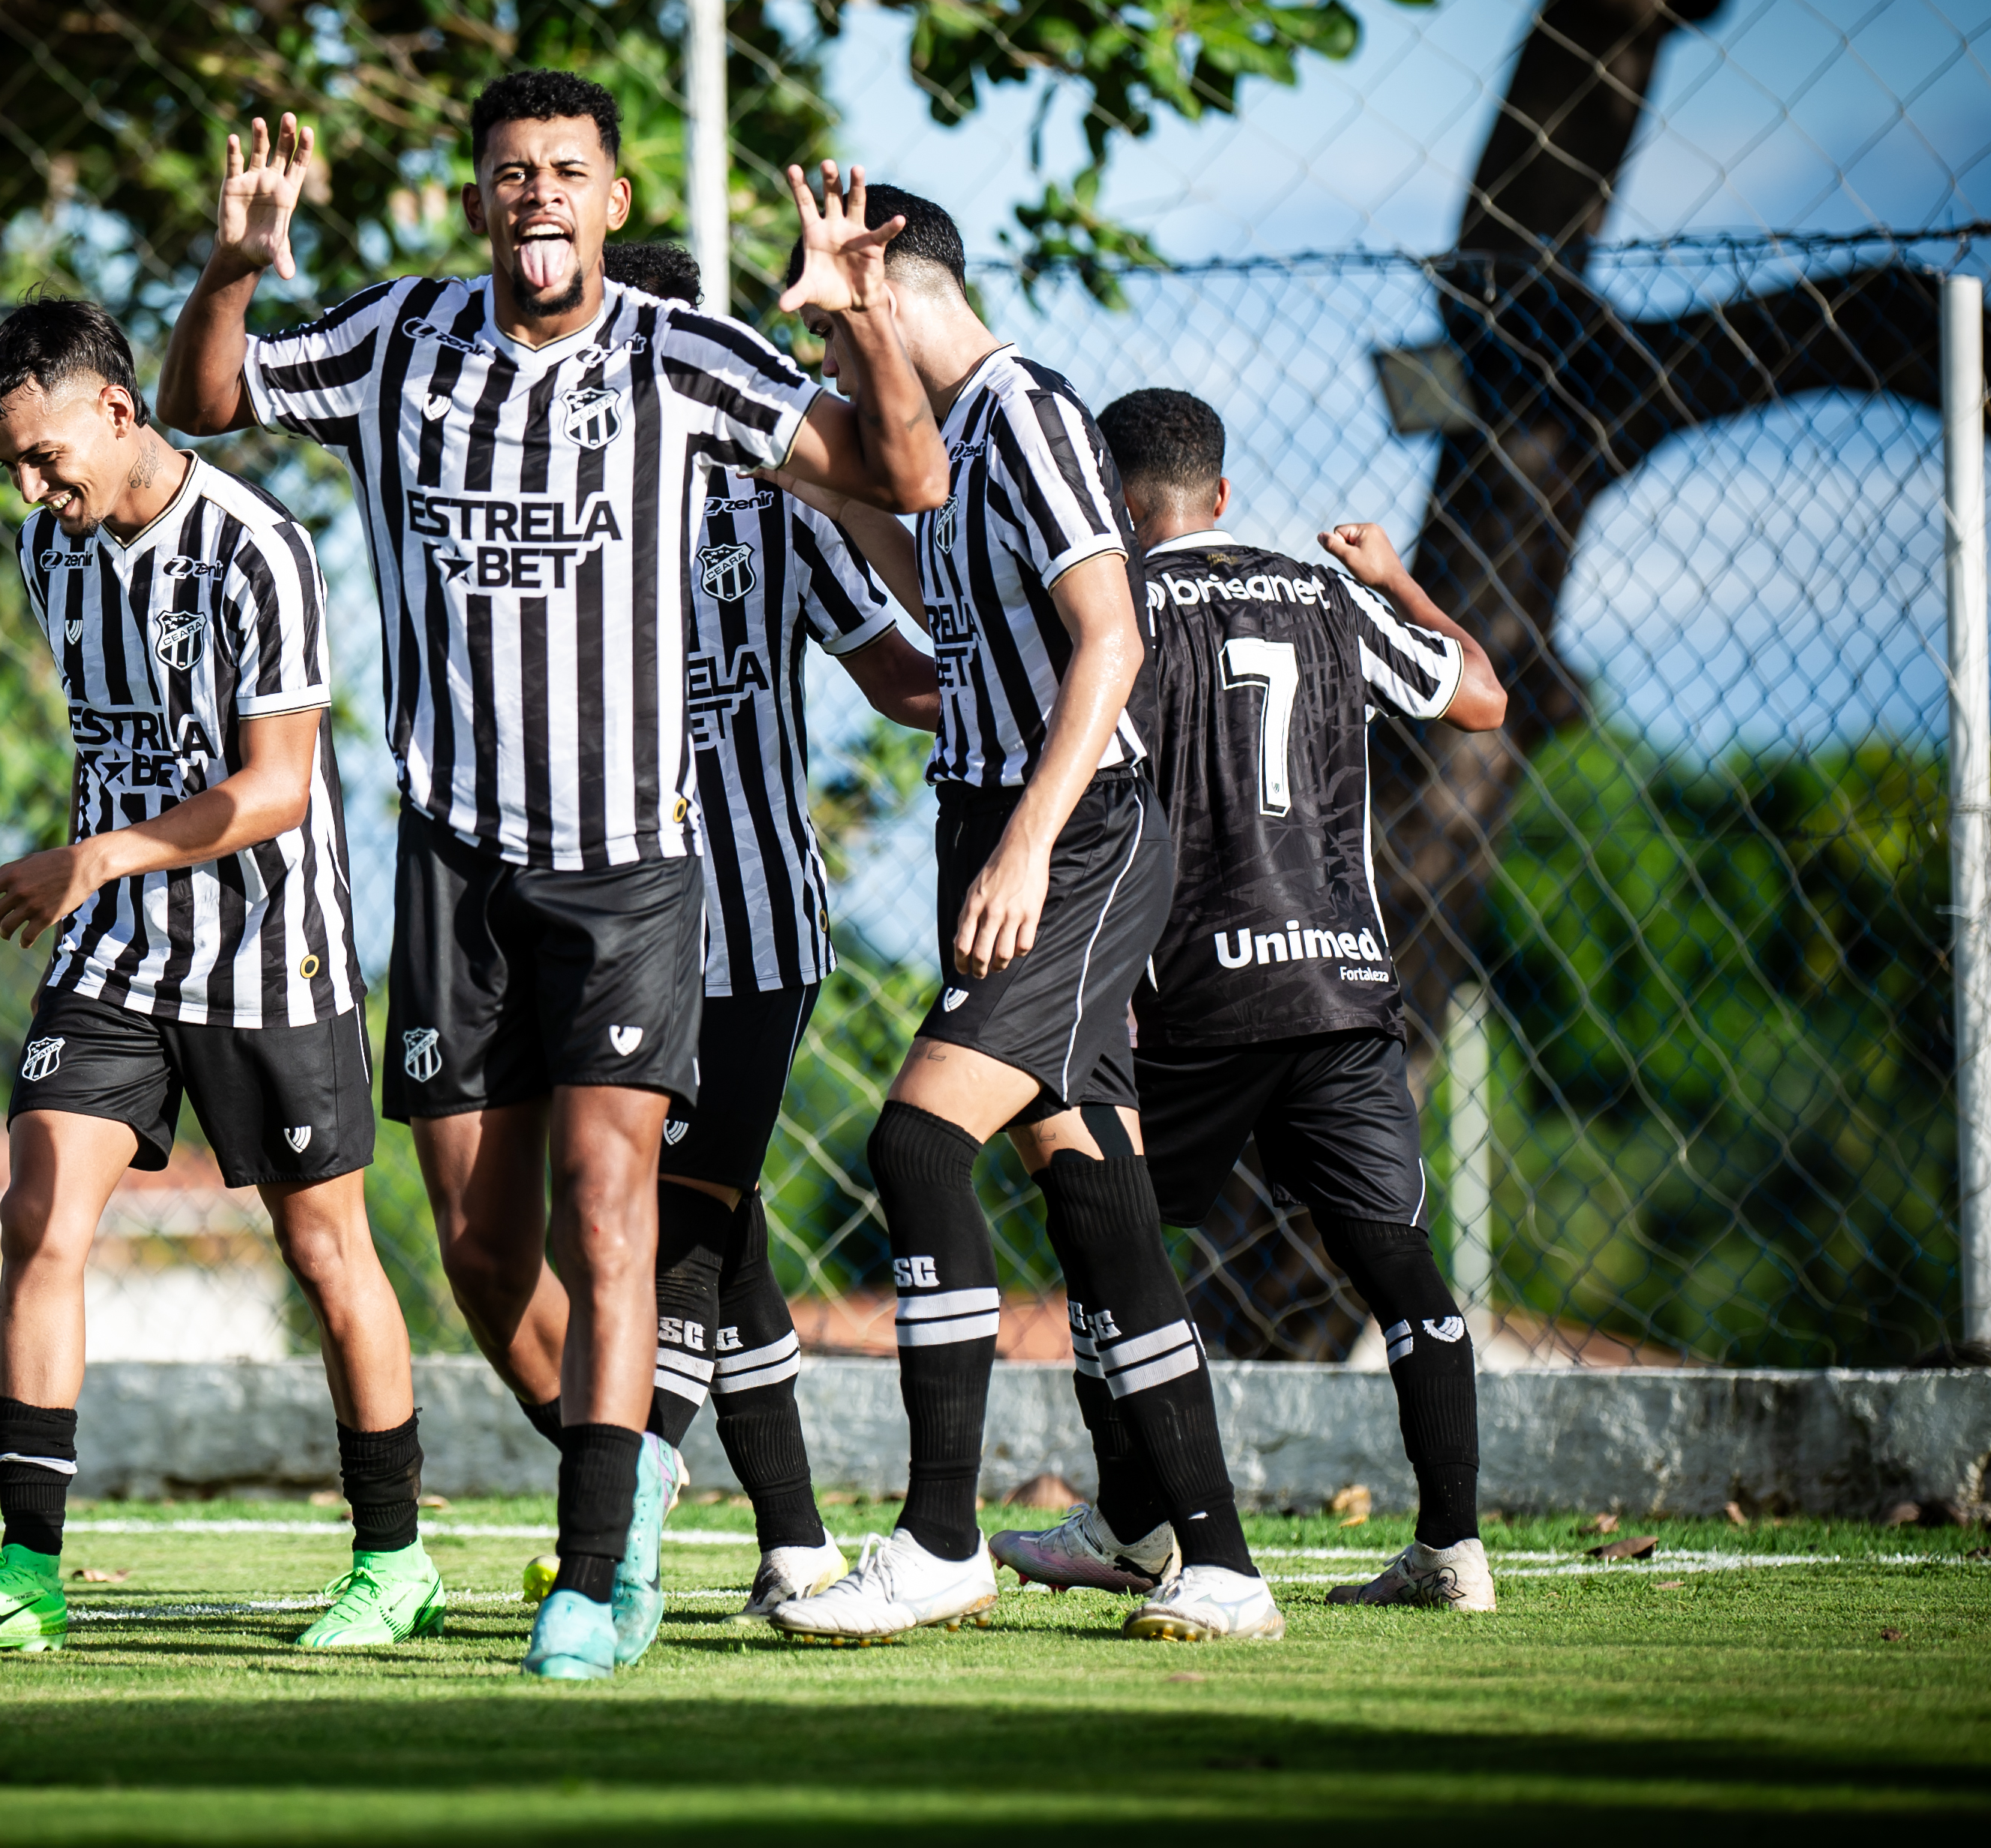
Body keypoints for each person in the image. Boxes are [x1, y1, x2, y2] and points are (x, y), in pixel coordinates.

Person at [157, 72, 944, 1680]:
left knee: (615, 1212)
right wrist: (236, 261)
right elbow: (205, 400)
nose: (537, 198)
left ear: (611, 201)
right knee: (475, 1247)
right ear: (476, 202)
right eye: (509, 174)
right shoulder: (398, 340)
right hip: (452, 864)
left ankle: (602, 1565)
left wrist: (858, 320)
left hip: (631, 869)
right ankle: (632, 1486)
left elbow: (903, 476)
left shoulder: (688, 355)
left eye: (566, 174)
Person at [764, 188, 1282, 1648]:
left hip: (1076, 835)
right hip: (985, 824)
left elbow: (1109, 639)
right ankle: (1222, 1566)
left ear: (892, 283)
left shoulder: (1033, 412)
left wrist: (1026, 851)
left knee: (916, 1139)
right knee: (1093, 1193)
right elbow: (944, 593)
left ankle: (938, 1541)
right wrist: (837, 486)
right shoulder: (949, 444)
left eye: (836, 309)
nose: (826, 346)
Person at [0, 297, 441, 1656]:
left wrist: (92, 856)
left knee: (326, 1252)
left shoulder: (260, 550)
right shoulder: (53, 550)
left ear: (119, 412)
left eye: (45, 457)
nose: (31, 489)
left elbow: (275, 791)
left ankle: (394, 1560)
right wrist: (107, 874)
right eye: (12, 465)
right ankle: (25, 1566)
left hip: (270, 944)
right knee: (40, 1213)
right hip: (123, 944)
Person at [1012, 386, 1508, 1611]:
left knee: (1108, 1243)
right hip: (1339, 980)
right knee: (1399, 1271)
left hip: (1188, 993)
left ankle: (1137, 1525)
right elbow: (1485, 696)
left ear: (1117, 507)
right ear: (1221, 493)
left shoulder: (1114, 612)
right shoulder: (1327, 593)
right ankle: (1453, 1548)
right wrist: (1400, 584)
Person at [572, 239, 938, 1617]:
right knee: (720, 1240)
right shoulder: (558, 507)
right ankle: (794, 1544)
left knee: (684, 1217)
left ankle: (634, 1487)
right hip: (604, 924)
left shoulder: (776, 503)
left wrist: (1051, 691)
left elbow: (901, 677)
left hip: (750, 932)